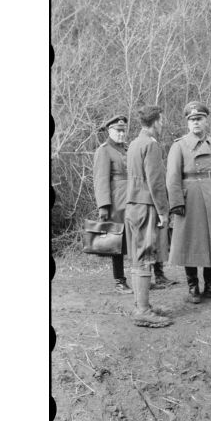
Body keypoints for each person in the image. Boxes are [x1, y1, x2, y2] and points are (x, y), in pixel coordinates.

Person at [166, 101, 211, 303]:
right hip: (191, 198)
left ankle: (210, 287)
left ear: (206, 120)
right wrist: (176, 202)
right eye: (192, 120)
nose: (196, 123)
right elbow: (172, 177)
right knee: (191, 242)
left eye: (199, 119)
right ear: (187, 123)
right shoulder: (179, 146)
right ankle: (193, 288)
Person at [125, 106, 172, 327]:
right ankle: (143, 311)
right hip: (145, 206)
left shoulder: (134, 143)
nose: (163, 125)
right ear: (155, 122)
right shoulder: (151, 145)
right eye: (161, 121)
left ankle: (140, 305)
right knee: (145, 255)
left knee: (137, 255)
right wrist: (163, 211)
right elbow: (156, 183)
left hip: (132, 205)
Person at [93, 114, 133, 294]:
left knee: (132, 240)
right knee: (116, 242)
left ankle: (141, 277)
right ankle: (119, 281)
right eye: (118, 130)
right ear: (109, 130)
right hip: (116, 202)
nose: (121, 133)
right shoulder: (104, 150)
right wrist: (103, 206)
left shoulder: (127, 149)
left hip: (132, 200)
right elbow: (100, 180)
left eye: (123, 130)